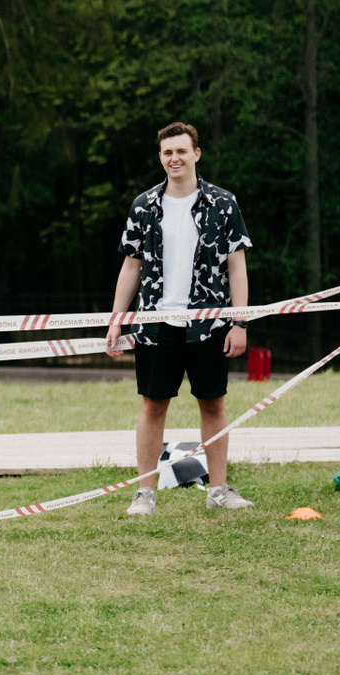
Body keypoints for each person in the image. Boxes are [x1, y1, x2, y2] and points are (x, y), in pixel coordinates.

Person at [105, 122, 255, 514]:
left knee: (213, 405)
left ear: (196, 154)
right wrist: (117, 319)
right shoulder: (144, 205)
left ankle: (218, 491)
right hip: (156, 326)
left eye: (182, 151)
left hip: (210, 325)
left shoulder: (223, 204)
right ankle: (145, 494)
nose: (175, 158)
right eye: (168, 152)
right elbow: (131, 266)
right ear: (161, 157)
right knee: (152, 407)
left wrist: (239, 323)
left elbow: (237, 267)